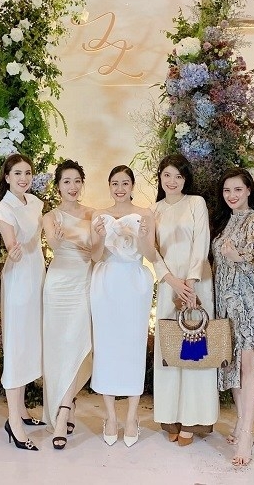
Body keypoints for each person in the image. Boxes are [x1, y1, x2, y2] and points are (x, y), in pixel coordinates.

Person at [150, 154, 218, 446]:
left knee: (195, 350)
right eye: (167, 175)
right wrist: (171, 281)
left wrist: (189, 284)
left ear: (186, 179)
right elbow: (152, 251)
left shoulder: (195, 203)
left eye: (178, 176)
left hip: (197, 285)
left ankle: (193, 419)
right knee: (169, 350)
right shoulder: (154, 210)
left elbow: (201, 242)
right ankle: (171, 417)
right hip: (169, 286)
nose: (172, 181)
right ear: (160, 177)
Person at [90, 165, 156, 448]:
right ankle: (110, 416)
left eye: (125, 183)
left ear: (132, 186)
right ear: (109, 186)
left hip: (134, 283)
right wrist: (98, 237)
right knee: (106, 347)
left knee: (133, 347)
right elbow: (95, 255)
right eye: (115, 183)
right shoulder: (99, 215)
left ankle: (131, 417)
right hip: (106, 282)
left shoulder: (145, 214)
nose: (120, 188)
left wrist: (141, 236)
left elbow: (150, 254)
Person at [211, 167, 254, 466]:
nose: (232, 195)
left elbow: (253, 258)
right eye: (227, 190)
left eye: (237, 189)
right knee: (230, 362)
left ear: (248, 190)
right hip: (223, 300)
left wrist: (237, 256)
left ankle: (247, 433)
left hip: (245, 299)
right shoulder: (223, 221)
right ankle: (240, 420)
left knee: (247, 363)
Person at [0, 154, 46, 451]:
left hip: (37, 275)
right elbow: (11, 242)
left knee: (30, 343)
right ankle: (13, 421)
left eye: (28, 173)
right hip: (19, 279)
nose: (24, 178)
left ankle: (22, 410)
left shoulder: (35, 202)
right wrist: (12, 249)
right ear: (7, 177)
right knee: (17, 345)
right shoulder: (5, 208)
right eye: (17, 173)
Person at [41, 159, 95, 450]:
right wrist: (76, 240)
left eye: (77, 181)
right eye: (66, 182)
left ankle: (63, 411)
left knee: (79, 343)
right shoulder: (50, 216)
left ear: (82, 184)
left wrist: (79, 240)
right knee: (59, 346)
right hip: (58, 284)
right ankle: (66, 404)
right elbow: (54, 243)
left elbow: (97, 250)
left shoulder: (93, 214)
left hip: (83, 282)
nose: (72, 187)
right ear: (58, 186)